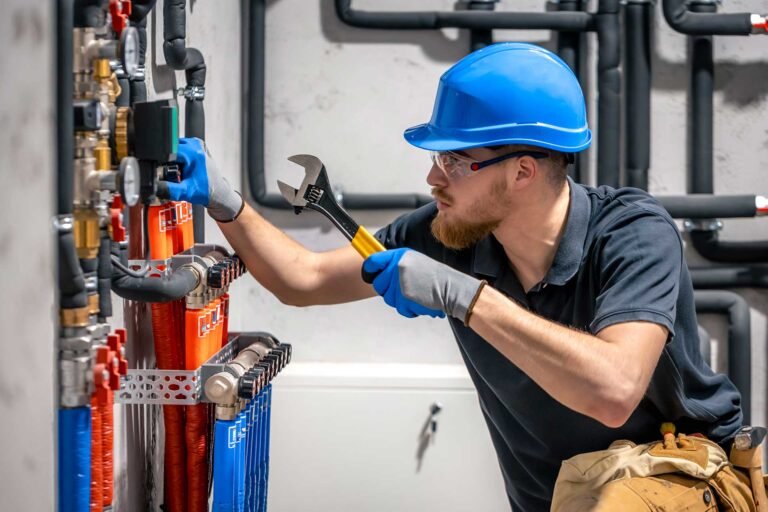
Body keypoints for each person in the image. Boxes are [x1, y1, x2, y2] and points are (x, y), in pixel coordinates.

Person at [168, 43, 748, 510]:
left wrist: (466, 298)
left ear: (523, 171)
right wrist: (227, 204)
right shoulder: (450, 233)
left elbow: (613, 391)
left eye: (453, 160)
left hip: (679, 487)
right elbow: (304, 278)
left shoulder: (633, 233)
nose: (432, 177)